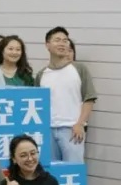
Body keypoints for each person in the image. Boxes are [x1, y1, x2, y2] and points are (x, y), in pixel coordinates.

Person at [36, 27, 96, 163]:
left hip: (72, 130)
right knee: (50, 171)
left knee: (73, 170)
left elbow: (89, 98)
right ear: (47, 45)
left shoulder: (79, 69)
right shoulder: (41, 74)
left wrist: (80, 124)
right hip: (48, 130)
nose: (62, 43)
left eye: (65, 40)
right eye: (57, 40)